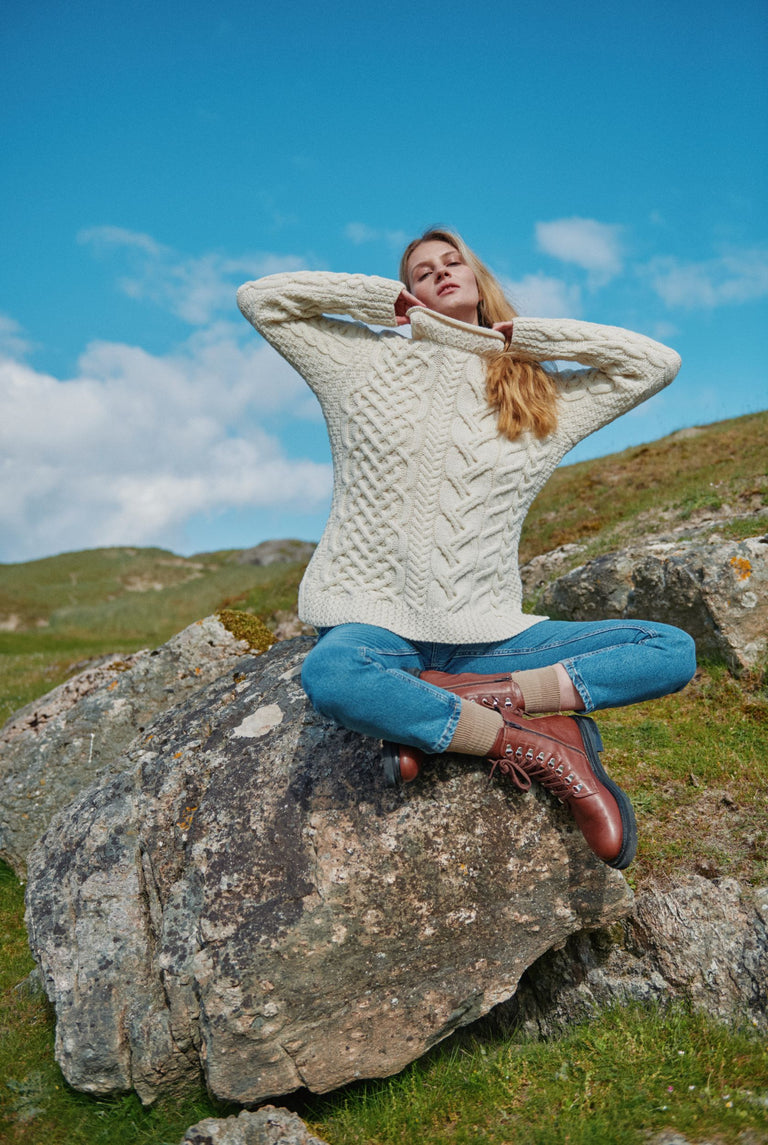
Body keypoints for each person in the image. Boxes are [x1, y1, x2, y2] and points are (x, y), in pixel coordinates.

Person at [237, 228, 696, 871]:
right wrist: (387, 307)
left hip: (489, 636)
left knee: (669, 650)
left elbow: (655, 364)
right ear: (408, 290)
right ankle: (527, 734)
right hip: (376, 624)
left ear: (479, 280)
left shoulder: (539, 396)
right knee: (332, 675)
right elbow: (263, 299)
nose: (439, 274)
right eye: (421, 272)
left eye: (454, 263)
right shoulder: (358, 365)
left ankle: (456, 702)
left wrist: (518, 339)